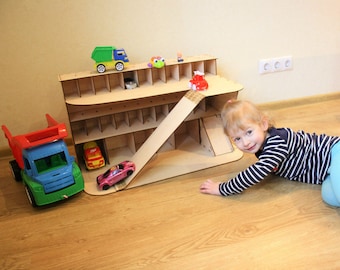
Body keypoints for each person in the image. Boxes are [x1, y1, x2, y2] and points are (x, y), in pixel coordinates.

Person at [199, 99, 340, 207]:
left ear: (263, 124)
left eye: (249, 132)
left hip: (334, 152)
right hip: (325, 172)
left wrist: (223, 188)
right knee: (330, 198)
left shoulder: (277, 142)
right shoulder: (261, 145)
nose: (246, 142)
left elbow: (256, 172)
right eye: (237, 138)